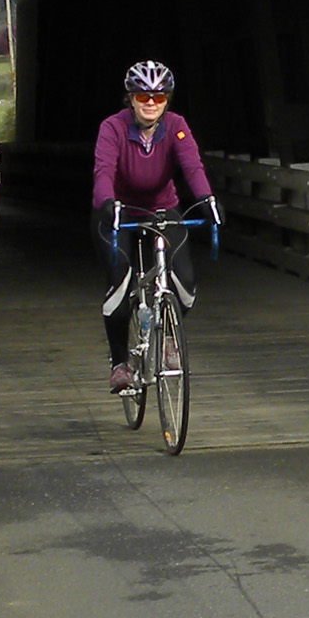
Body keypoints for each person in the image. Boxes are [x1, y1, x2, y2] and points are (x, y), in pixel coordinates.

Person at [92, 58, 216, 393]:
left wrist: (207, 199)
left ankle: (167, 334)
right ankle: (120, 362)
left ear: (167, 101)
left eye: (159, 97)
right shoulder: (113, 127)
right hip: (119, 211)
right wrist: (107, 204)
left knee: (186, 286)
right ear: (129, 97)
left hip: (162, 207)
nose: (150, 103)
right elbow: (103, 170)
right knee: (119, 283)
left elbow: (192, 166)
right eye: (143, 96)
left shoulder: (175, 126)